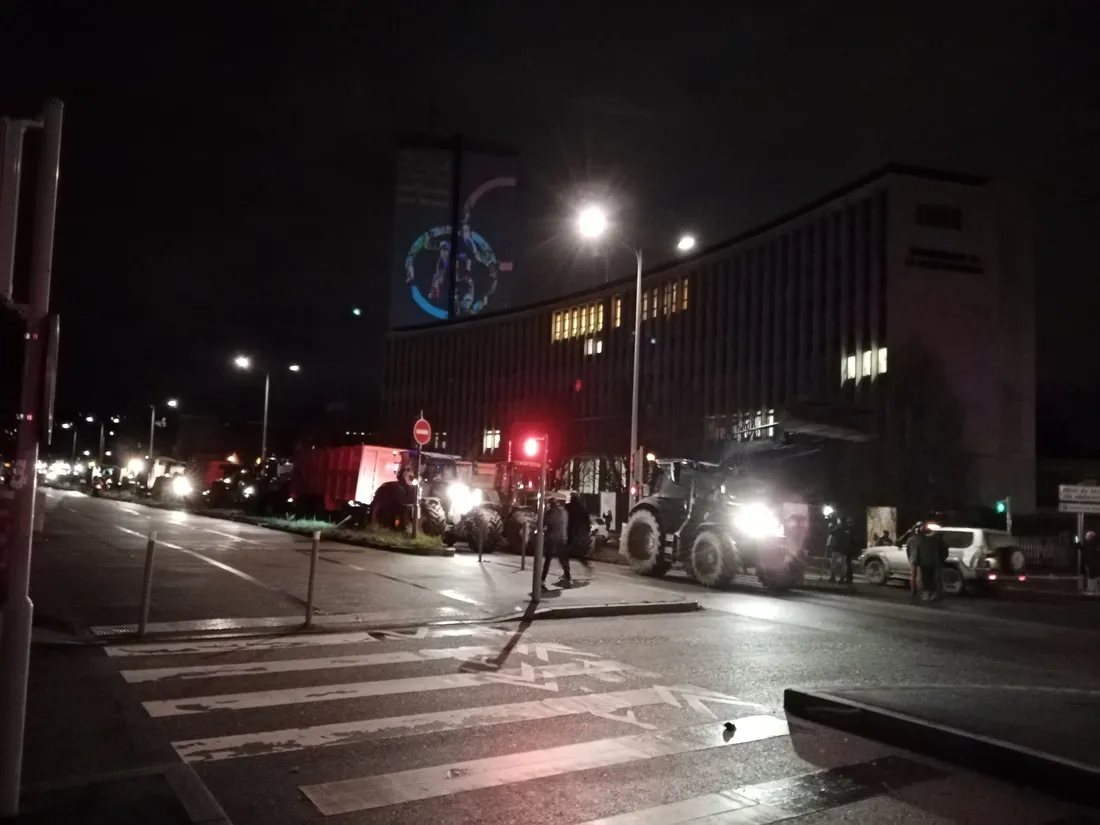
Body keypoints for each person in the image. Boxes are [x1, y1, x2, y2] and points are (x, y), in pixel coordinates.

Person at [541, 499, 571, 588]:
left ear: (550, 505)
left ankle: (542, 580)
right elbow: (565, 525)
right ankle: (569, 578)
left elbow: (543, 524)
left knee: (547, 561)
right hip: (561, 539)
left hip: (551, 539)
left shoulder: (549, 514)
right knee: (563, 560)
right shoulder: (563, 513)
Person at [915, 521, 948, 601]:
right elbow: (944, 553)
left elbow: (944, 552)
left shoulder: (935, 541)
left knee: (932, 579)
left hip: (931, 563)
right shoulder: (923, 540)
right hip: (929, 563)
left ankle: (933, 594)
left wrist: (940, 560)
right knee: (930, 579)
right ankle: (930, 594)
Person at [566, 493, 593, 576]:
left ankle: (566, 573)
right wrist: (586, 532)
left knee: (564, 554)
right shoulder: (582, 509)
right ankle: (587, 566)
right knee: (578, 553)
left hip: (569, 533)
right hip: (579, 534)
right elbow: (588, 522)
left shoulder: (568, 507)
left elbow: (565, 518)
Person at [826, 517, 854, 585]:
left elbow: (831, 532)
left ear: (840, 521)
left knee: (834, 563)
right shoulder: (848, 528)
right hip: (844, 549)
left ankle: (833, 577)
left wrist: (831, 526)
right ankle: (842, 578)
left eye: (838, 520)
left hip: (837, 548)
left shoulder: (838, 528)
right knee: (843, 565)